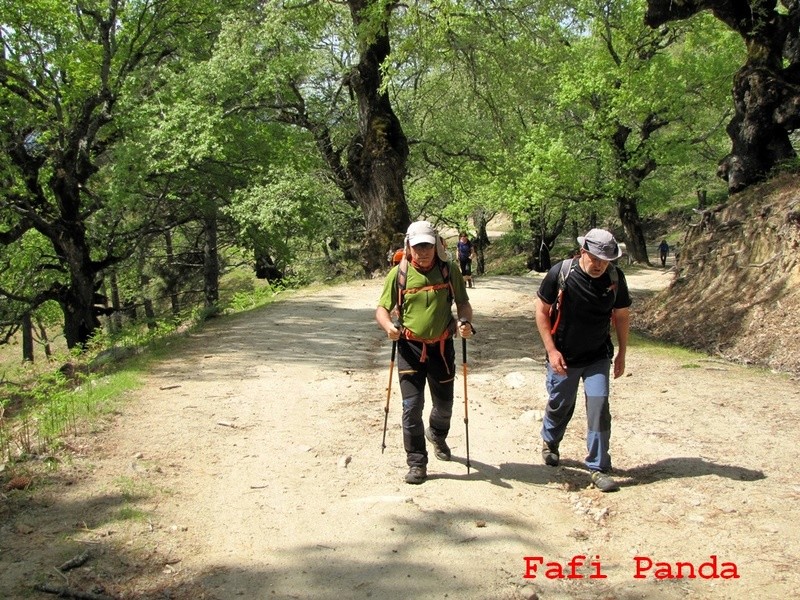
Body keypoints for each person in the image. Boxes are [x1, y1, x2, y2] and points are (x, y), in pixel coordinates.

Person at [376, 221, 475, 485]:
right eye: (418, 246)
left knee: (444, 407)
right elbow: (382, 310)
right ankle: (417, 462)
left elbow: (463, 304)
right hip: (410, 348)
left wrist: (464, 323)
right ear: (409, 246)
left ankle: (437, 434)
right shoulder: (398, 274)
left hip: (442, 349)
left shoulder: (448, 270)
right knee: (411, 407)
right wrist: (388, 327)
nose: (423, 252)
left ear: (436, 246)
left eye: (427, 246)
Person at [533, 228, 631, 492]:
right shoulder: (561, 273)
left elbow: (621, 315)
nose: (599, 264)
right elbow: (541, 312)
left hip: (597, 355)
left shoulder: (615, 277)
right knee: (560, 403)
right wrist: (552, 351)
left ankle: (598, 467)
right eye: (595, 257)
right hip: (563, 356)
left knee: (599, 408)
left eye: (606, 259)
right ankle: (550, 441)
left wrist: (622, 351)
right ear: (582, 252)